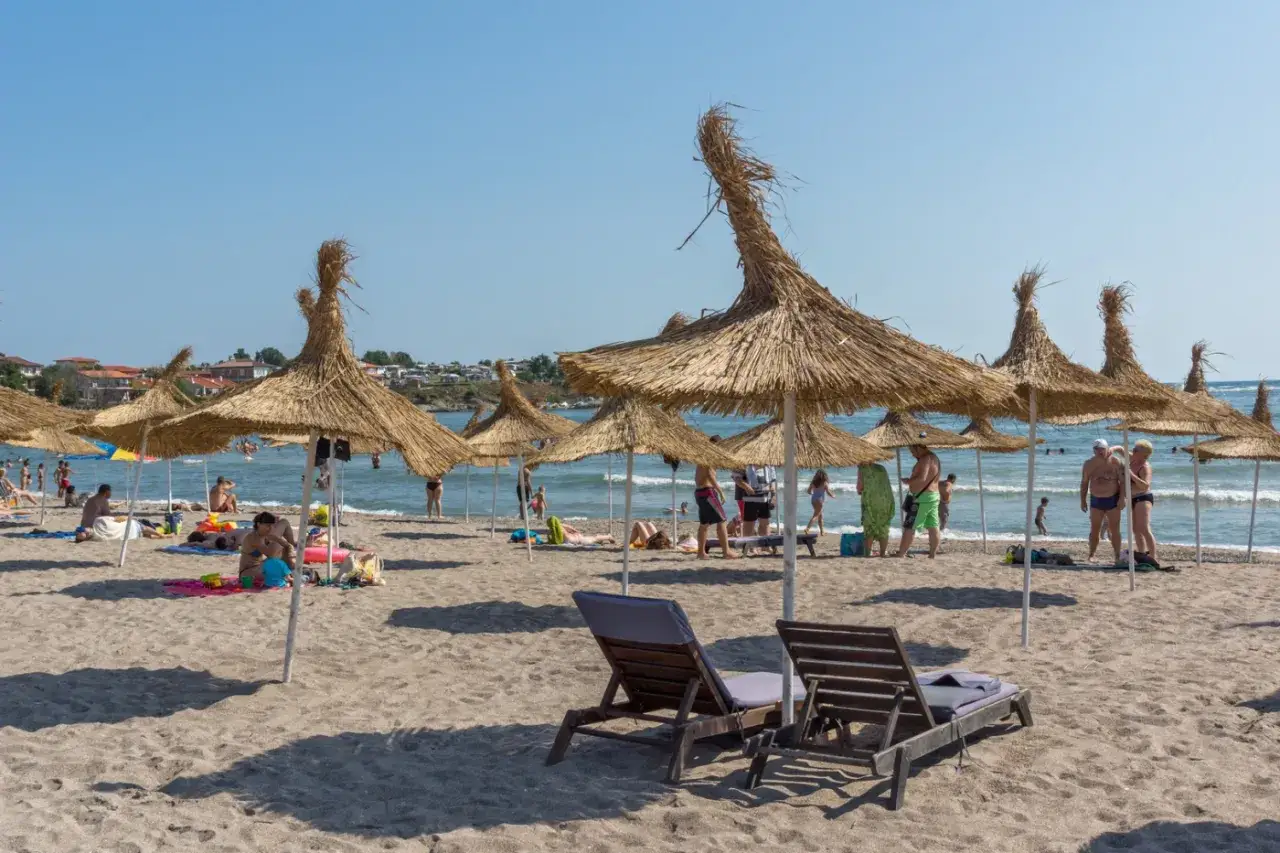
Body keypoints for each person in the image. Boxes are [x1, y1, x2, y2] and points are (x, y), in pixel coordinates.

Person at [895, 443, 942, 558]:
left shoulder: (925, 459)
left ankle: (902, 553)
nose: (912, 454)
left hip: (922, 498)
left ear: (918, 448)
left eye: (912, 451)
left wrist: (908, 481)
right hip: (934, 496)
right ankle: (932, 554)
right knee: (933, 526)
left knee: (910, 526)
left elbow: (922, 478)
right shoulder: (935, 458)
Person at [1081, 438, 1124, 563]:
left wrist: (1122, 498)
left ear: (1108, 449)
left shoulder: (1116, 462)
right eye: (1096, 449)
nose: (1100, 452)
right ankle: (1092, 554)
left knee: (1115, 529)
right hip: (1096, 500)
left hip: (1113, 500)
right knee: (1094, 529)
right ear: (1093, 450)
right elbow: (1084, 483)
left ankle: (1117, 555)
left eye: (1102, 449)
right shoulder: (1088, 464)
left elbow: (1123, 482)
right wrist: (1082, 500)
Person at [694, 436, 737, 559]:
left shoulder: (702, 456)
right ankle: (726, 551)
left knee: (704, 524)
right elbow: (710, 475)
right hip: (708, 492)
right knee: (722, 520)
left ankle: (701, 553)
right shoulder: (710, 456)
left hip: (699, 492)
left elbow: (699, 476)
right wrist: (721, 491)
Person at [1122, 439, 1159, 565]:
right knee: (1135, 530)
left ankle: (1153, 557)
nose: (1134, 451)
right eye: (1134, 448)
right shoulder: (1133, 459)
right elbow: (1122, 450)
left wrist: (1131, 475)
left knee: (1144, 528)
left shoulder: (1145, 467)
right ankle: (1142, 555)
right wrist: (1112, 449)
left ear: (1144, 454)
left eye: (1136, 450)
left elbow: (1145, 485)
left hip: (1143, 497)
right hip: (1131, 498)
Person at [239, 511, 296, 585]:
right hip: (247, 572)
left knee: (284, 522)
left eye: (272, 526)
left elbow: (288, 546)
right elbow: (271, 555)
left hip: (259, 566)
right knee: (276, 558)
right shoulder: (253, 538)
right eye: (268, 526)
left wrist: (290, 555)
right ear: (258, 524)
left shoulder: (265, 536)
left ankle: (289, 572)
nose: (270, 528)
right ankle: (288, 575)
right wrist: (276, 539)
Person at [857, 462, 895, 557]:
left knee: (869, 528)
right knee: (884, 527)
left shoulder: (862, 468)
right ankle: (882, 552)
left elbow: (860, 486)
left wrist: (859, 490)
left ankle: (868, 553)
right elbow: (886, 485)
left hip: (871, 502)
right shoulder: (881, 467)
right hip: (886, 501)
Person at [743, 463, 776, 541]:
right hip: (750, 497)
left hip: (765, 496)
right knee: (749, 523)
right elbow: (737, 478)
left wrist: (774, 495)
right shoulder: (745, 461)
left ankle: (765, 546)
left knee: (765, 522)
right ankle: (748, 547)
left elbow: (773, 480)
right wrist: (746, 486)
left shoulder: (769, 463)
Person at [805, 470, 834, 535]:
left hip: (813, 500)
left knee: (820, 516)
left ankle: (822, 531)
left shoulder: (813, 482)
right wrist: (833, 495)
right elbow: (828, 492)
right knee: (816, 515)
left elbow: (808, 491)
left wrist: (813, 493)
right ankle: (807, 528)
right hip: (820, 501)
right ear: (824, 476)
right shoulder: (824, 483)